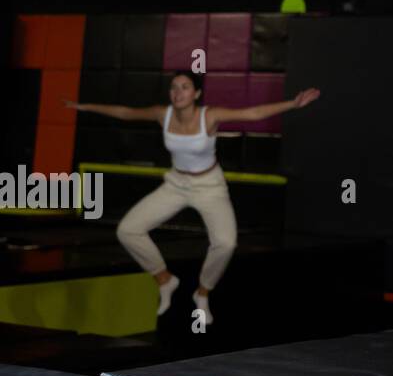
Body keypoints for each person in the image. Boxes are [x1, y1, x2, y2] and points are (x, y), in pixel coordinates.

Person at [66, 70, 320, 323]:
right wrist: (85, 106)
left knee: (226, 243)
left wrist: (293, 103)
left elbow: (251, 114)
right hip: (176, 184)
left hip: (210, 187)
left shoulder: (209, 116)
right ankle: (164, 279)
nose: (178, 92)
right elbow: (126, 113)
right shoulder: (162, 114)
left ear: (196, 93)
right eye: (174, 87)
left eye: (185, 87)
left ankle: (202, 292)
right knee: (128, 230)